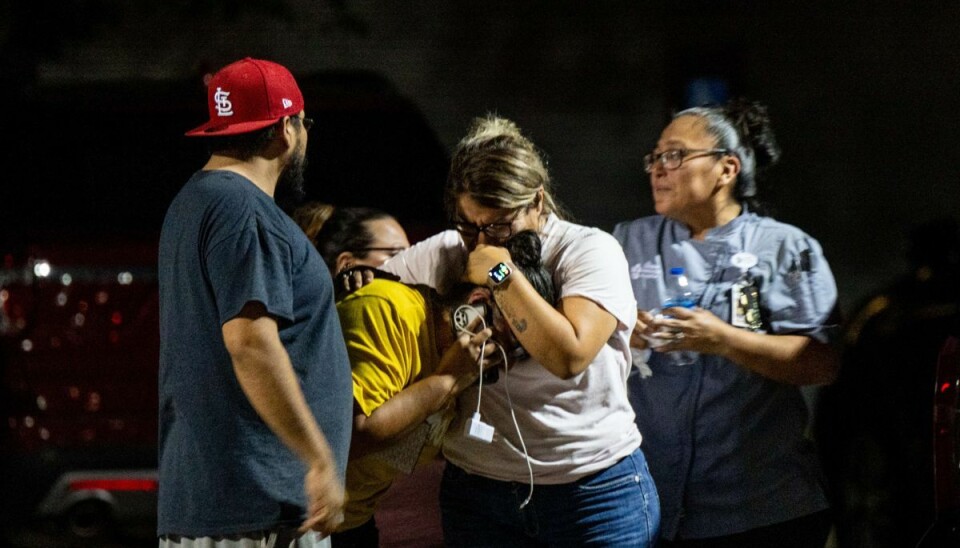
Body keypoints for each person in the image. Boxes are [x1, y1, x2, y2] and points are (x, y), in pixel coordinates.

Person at [381, 115, 660, 547]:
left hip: (592, 492)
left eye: (498, 226)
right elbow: (375, 304)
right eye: (469, 225)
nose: (481, 241)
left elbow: (569, 357)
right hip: (479, 491)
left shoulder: (588, 251)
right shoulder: (447, 251)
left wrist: (498, 272)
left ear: (538, 203)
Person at [612, 99, 840, 547]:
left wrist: (724, 341)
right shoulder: (627, 241)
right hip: (651, 503)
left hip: (759, 505)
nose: (658, 168)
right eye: (655, 157)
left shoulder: (786, 248)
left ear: (727, 169)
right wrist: (619, 330)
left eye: (675, 155)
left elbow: (822, 364)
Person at [157, 57, 353, 548]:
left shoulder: (195, 202)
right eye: (303, 122)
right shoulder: (244, 211)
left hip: (222, 506)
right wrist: (318, 459)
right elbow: (250, 342)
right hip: (259, 512)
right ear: (286, 130)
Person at [332, 230, 555, 548]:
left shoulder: (460, 376)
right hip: (293, 519)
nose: (504, 365)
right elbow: (355, 436)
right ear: (476, 304)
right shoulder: (389, 311)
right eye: (507, 345)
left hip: (352, 523)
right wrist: (446, 380)